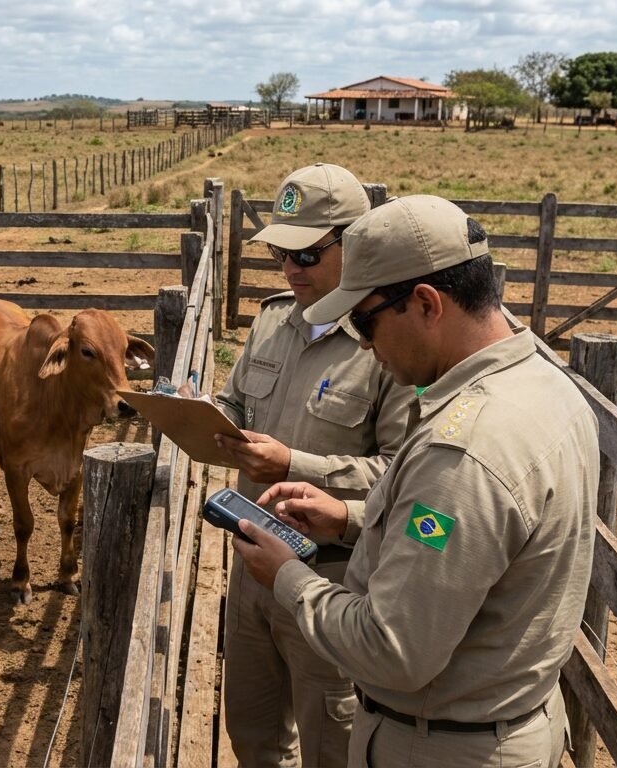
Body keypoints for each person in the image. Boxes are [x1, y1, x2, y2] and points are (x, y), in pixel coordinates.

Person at [233, 194, 598, 768]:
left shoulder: (464, 452)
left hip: (440, 744)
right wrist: (349, 518)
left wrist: (287, 577)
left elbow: (390, 650)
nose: (363, 343)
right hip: (502, 720)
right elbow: (473, 545)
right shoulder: (546, 386)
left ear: (427, 303)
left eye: (366, 320)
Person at [214, 163, 409, 768]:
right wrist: (202, 415)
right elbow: (234, 402)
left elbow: (402, 472)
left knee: (331, 745)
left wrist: (292, 463)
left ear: (355, 244)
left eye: (307, 254)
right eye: (281, 253)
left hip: (333, 581)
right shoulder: (273, 321)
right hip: (251, 563)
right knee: (251, 733)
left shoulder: (388, 343)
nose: (290, 270)